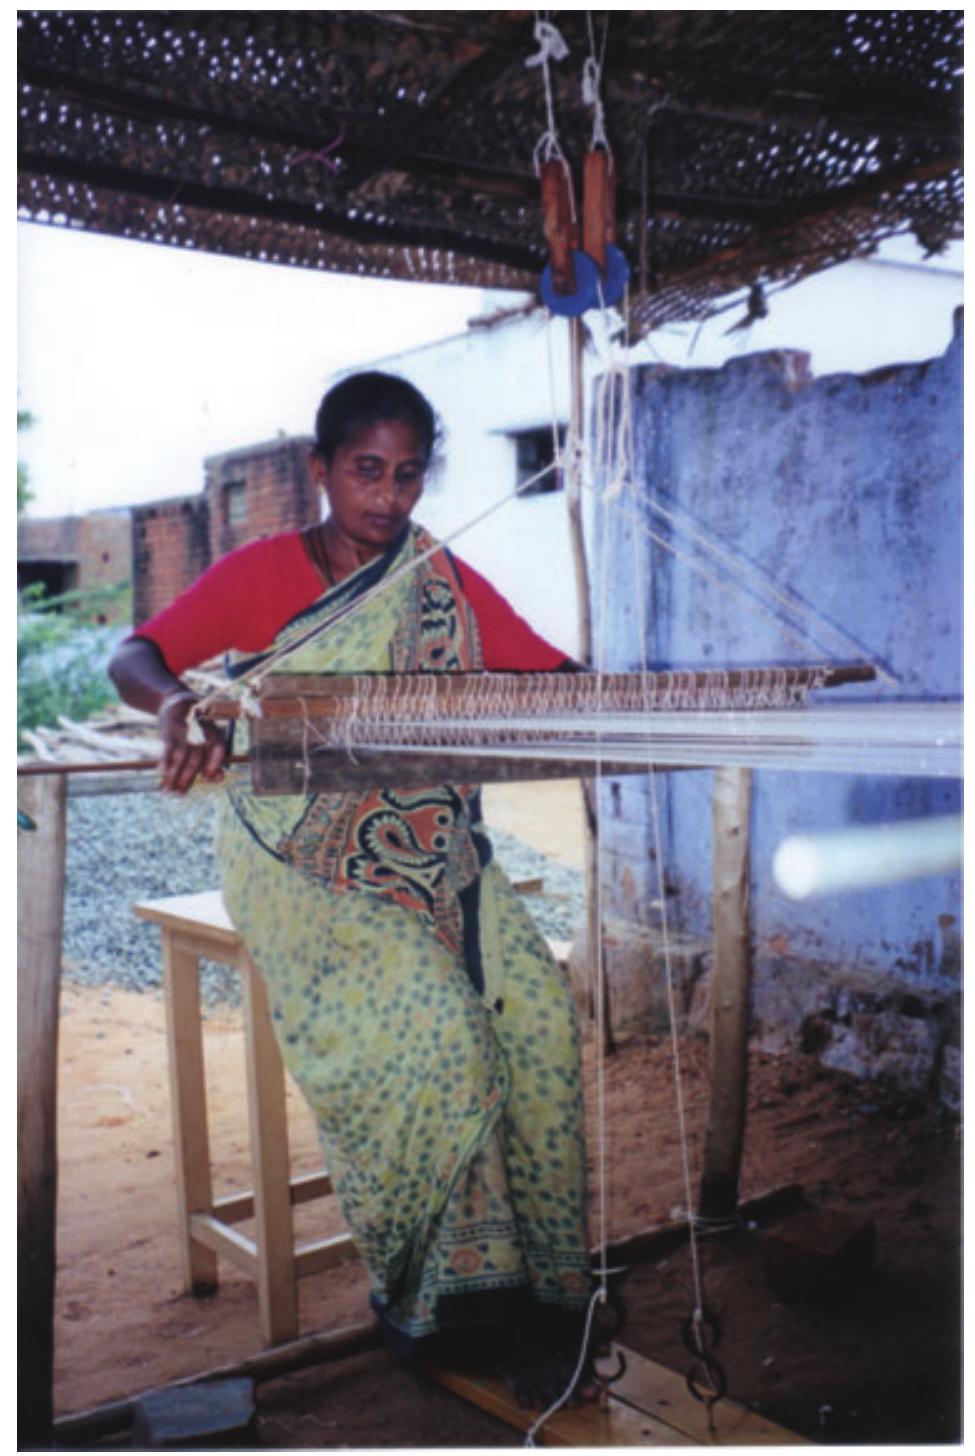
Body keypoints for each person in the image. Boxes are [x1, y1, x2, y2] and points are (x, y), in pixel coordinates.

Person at [109, 371, 598, 1407]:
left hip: (431, 848)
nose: (388, 495)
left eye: (408, 473)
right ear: (320, 469)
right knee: (442, 1034)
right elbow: (136, 651)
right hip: (295, 856)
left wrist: (646, 704)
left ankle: (552, 1290)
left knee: (542, 1019)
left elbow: (552, 673)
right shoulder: (260, 574)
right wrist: (175, 706)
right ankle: (449, 1307)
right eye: (366, 470)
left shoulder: (440, 579)